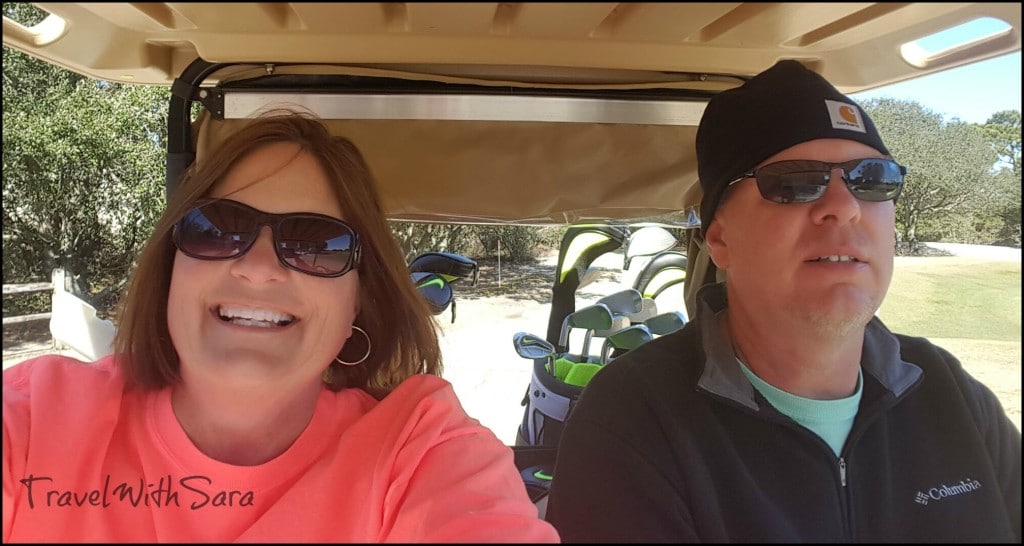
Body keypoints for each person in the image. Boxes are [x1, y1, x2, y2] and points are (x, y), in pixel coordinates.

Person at [3, 110, 560, 543]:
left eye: (316, 245)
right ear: (171, 269)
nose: (259, 268)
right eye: (218, 228)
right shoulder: (33, 423)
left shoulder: (421, 453)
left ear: (357, 306)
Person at [544, 60, 1021, 542]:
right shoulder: (635, 417)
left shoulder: (948, 392)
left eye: (873, 178)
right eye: (794, 182)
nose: (845, 206)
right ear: (720, 240)